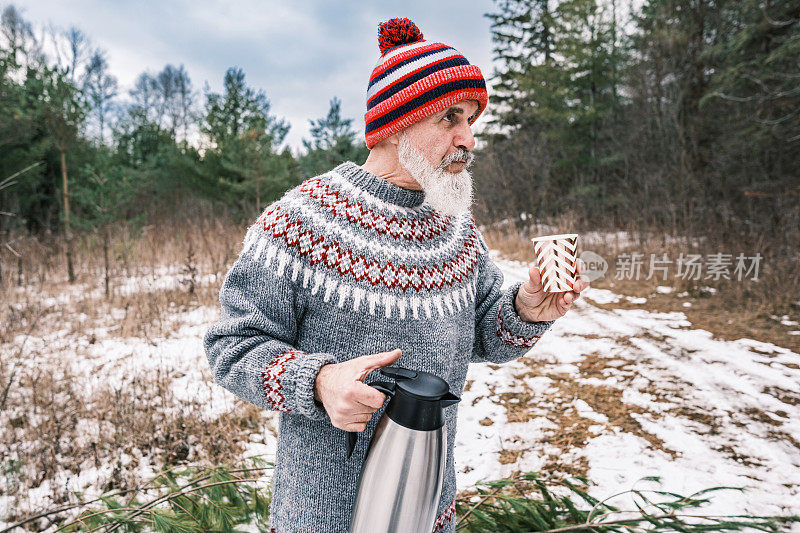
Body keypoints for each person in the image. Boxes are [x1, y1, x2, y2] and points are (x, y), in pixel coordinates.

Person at [204, 17, 589, 533]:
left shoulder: (456, 229)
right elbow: (232, 347)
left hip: (429, 509)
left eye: (471, 120)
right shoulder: (299, 222)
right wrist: (318, 381)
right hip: (321, 518)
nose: (468, 139)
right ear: (393, 126)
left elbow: (484, 336)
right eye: (450, 119)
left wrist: (525, 309)